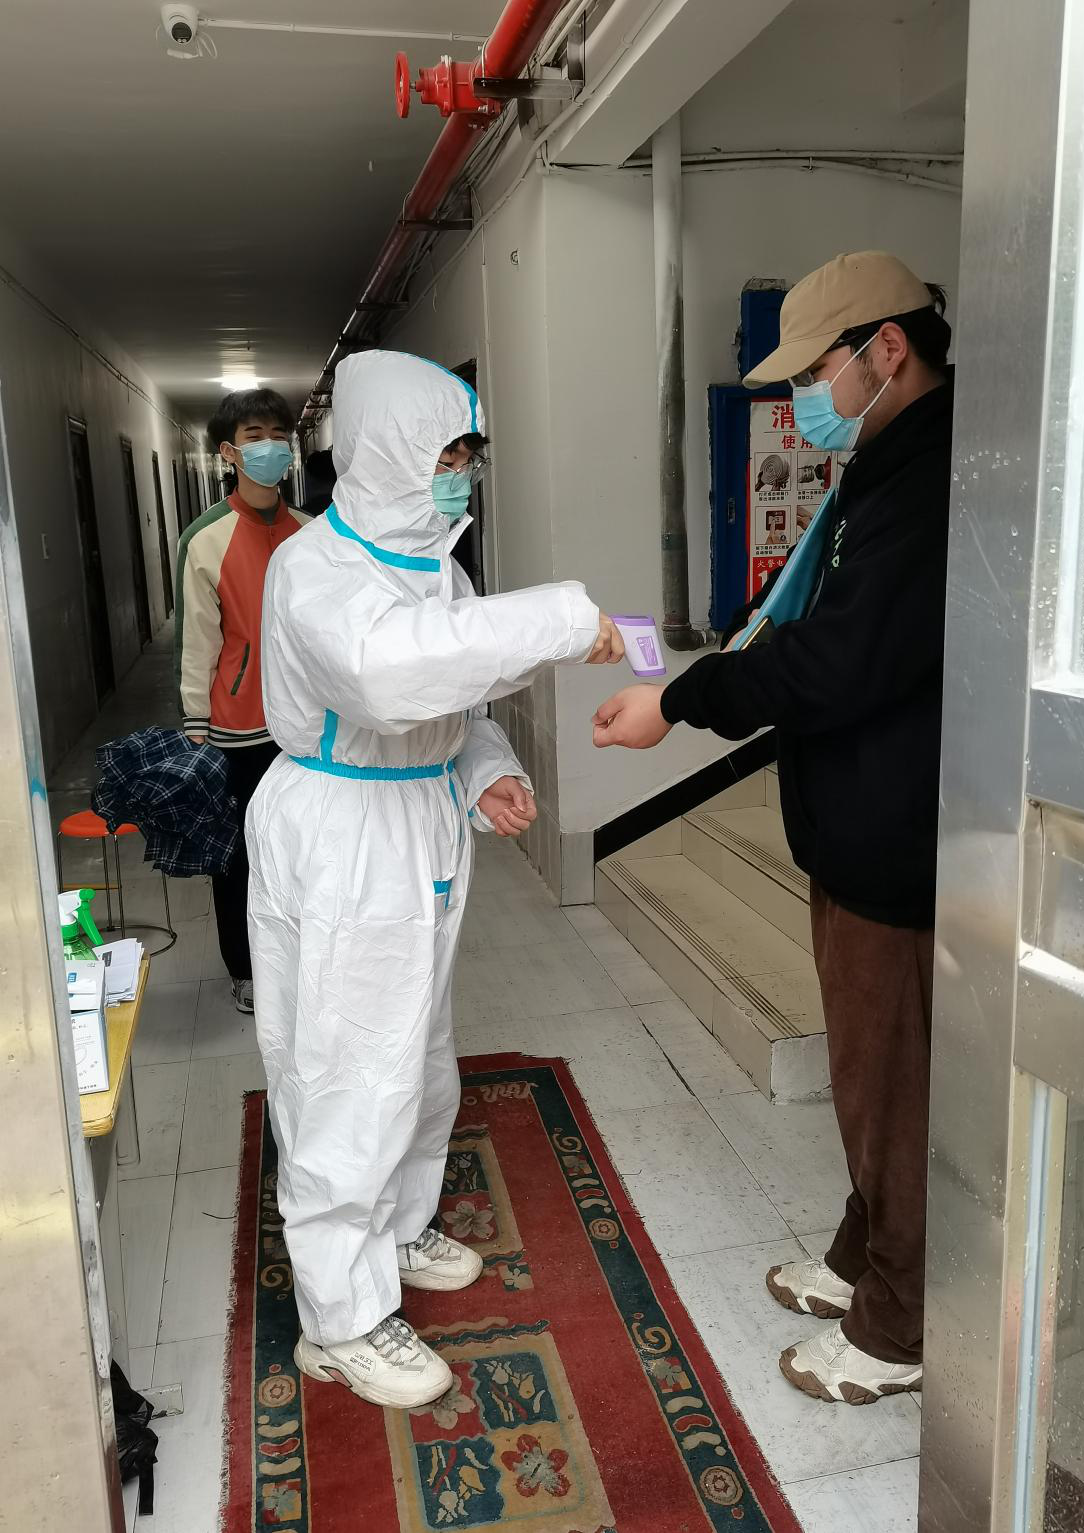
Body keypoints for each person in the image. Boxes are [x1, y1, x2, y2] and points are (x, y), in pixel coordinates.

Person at [592, 251, 953, 1406]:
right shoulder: (880, 469)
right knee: (865, 1078)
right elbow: (800, 625)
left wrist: (680, 699)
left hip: (897, 842)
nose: (805, 398)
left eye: (814, 371)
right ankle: (864, 1254)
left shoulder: (934, 478)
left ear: (886, 348)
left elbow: (839, 659)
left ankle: (902, 1325)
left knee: (892, 1085)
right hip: (855, 829)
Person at [246, 350, 623, 1410]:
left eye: (467, 455)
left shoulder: (437, 568)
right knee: (345, 1070)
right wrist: (562, 619)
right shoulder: (314, 568)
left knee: (414, 1053)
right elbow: (388, 678)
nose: (460, 475)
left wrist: (484, 770)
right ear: (384, 454)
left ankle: (398, 1227)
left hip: (415, 821)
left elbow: (457, 695)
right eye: (444, 455)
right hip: (346, 829)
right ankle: (340, 1320)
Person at [174, 388, 306, 1013]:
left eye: (279, 434)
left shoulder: (312, 532)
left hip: (307, 725)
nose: (270, 446)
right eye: (255, 436)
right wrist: (195, 724)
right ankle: (246, 968)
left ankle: (302, 956)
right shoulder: (206, 539)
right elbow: (197, 640)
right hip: (238, 727)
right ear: (229, 452)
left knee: (305, 846)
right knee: (238, 854)